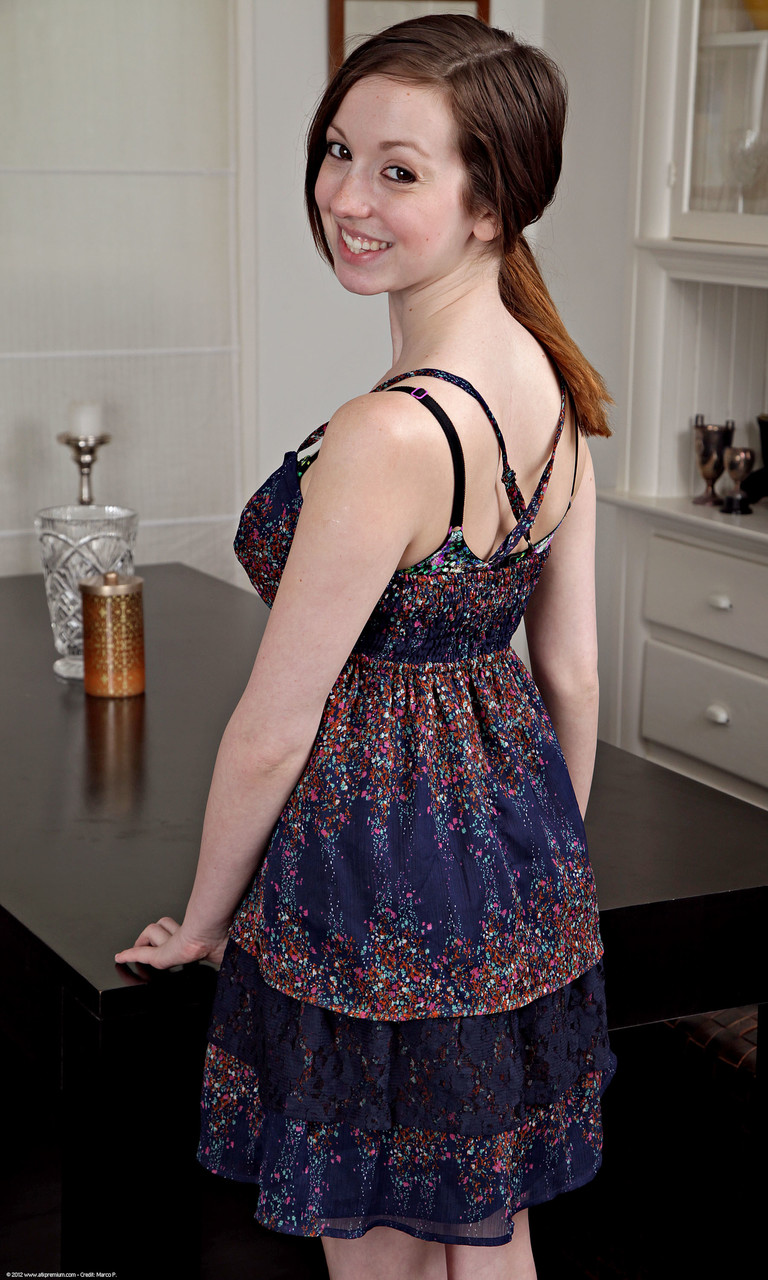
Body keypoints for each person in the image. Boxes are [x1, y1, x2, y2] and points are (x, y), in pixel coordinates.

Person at [116, 14, 615, 1279]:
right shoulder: (553, 385)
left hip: (370, 868)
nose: (344, 196)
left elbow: (274, 722)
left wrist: (201, 926)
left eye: (398, 169)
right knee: (487, 1227)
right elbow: (570, 673)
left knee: (381, 1245)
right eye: (338, 151)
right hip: (510, 861)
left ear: (491, 204)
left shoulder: (389, 433)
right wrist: (544, 887)